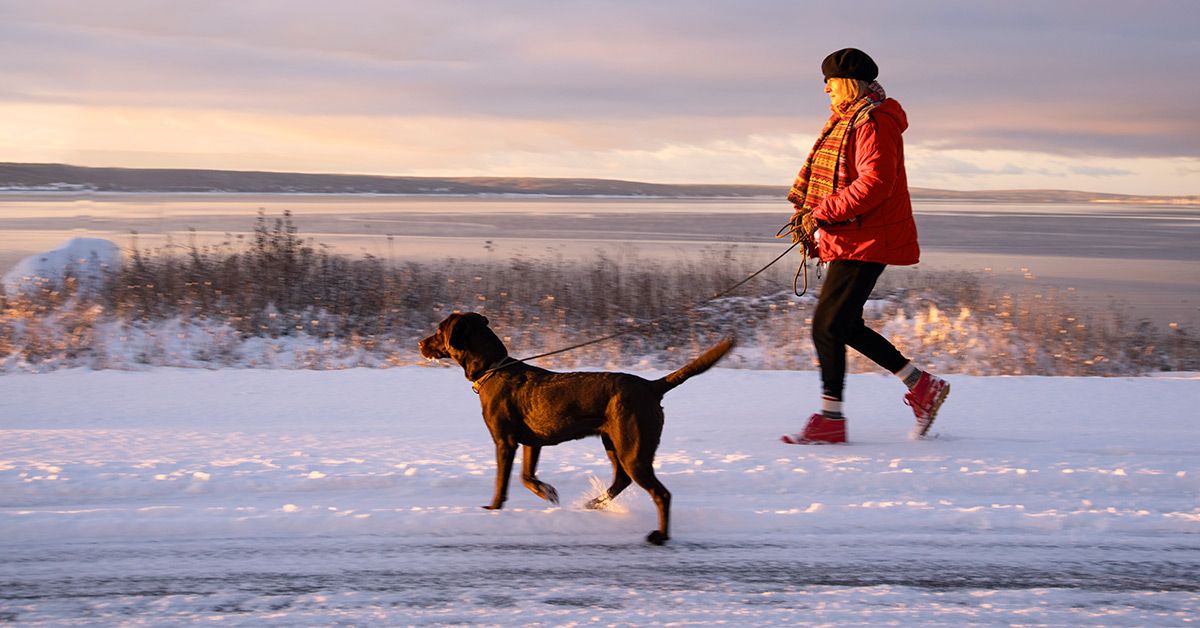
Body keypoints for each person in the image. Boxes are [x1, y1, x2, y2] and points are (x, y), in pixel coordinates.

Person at [781, 48, 949, 445]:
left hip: (870, 237)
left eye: (830, 81)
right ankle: (922, 386)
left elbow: (875, 184)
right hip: (855, 235)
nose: (825, 88)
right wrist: (817, 217)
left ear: (848, 82)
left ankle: (831, 419)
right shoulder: (848, 121)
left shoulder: (873, 121)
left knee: (828, 325)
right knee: (842, 324)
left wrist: (820, 212)